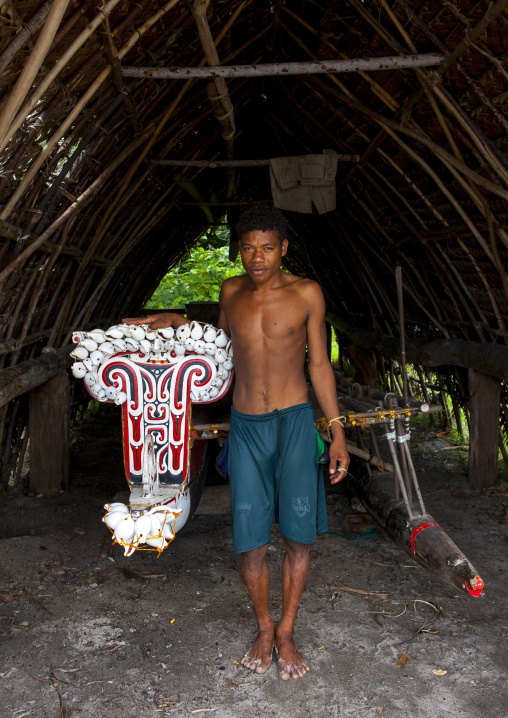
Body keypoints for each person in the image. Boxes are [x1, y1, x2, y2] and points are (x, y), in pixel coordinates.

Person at [124, 205, 349, 680]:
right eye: (248, 247)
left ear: (283, 248)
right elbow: (217, 348)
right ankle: (263, 627)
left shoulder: (307, 292)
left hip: (293, 422)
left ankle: (286, 632)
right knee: (249, 541)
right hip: (246, 426)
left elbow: (319, 366)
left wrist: (336, 433)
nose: (257, 257)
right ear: (238, 249)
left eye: (267, 247)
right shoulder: (231, 291)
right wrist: (176, 323)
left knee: (297, 536)